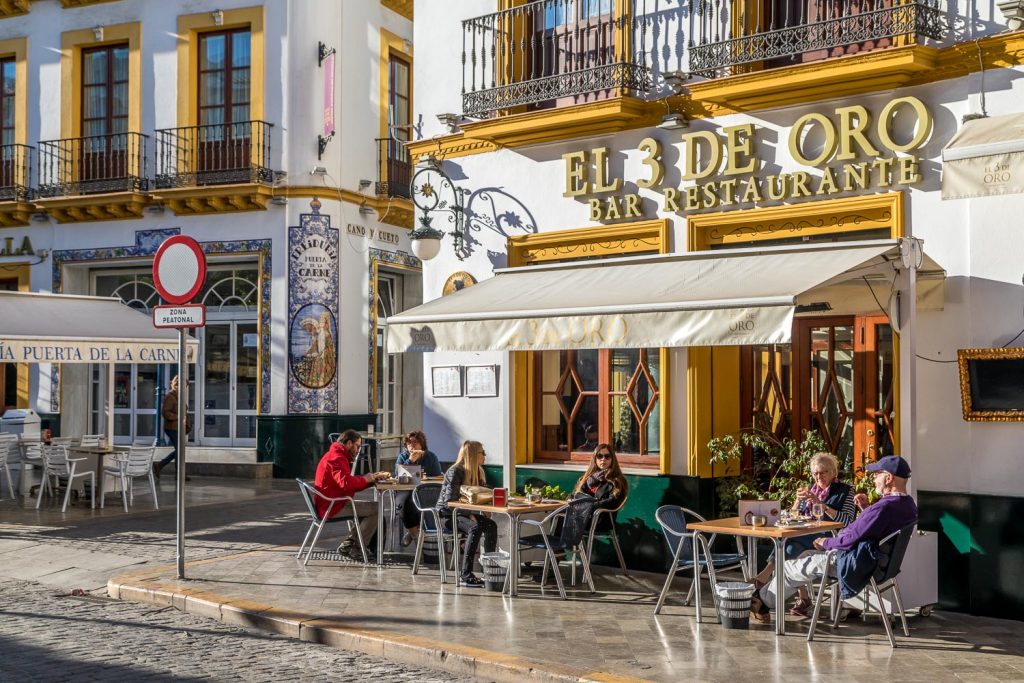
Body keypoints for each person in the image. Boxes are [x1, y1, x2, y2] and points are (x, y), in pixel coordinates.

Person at [750, 455, 918, 623]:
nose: (873, 478)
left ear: (888, 478)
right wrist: (865, 509)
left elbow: (848, 539)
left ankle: (761, 602)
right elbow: (876, 529)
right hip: (875, 564)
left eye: (877, 474)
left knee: (787, 567)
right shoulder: (908, 505)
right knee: (801, 556)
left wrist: (826, 543)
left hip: (850, 562)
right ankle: (781, 598)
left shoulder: (882, 507)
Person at [751, 452, 858, 616]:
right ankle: (803, 598)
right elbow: (793, 516)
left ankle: (764, 577)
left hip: (831, 540)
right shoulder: (809, 489)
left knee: (790, 540)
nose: (818, 476)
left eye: (823, 472)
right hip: (805, 538)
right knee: (789, 549)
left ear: (834, 473)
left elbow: (848, 520)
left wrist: (822, 505)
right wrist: (797, 501)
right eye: (815, 473)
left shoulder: (846, 491)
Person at [314, 429, 389, 562]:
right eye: (357, 446)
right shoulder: (337, 458)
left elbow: (347, 483)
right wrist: (367, 479)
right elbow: (346, 484)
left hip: (333, 502)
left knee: (372, 508)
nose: (358, 450)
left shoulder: (336, 454)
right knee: (376, 509)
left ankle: (350, 544)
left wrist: (371, 480)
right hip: (332, 506)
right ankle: (357, 547)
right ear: (349, 443)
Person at [435, 440, 498, 587]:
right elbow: (450, 501)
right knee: (474, 528)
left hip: (463, 514)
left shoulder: (478, 471)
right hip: (447, 516)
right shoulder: (455, 471)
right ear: (473, 455)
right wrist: (470, 514)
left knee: (491, 525)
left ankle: (488, 571)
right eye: (483, 452)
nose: (485, 455)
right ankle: (465, 575)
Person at [394, 430, 443, 547]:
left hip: (425, 491)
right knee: (405, 503)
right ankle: (415, 535)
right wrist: (410, 461)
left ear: (422, 445)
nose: (411, 446)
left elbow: (438, 477)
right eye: (409, 443)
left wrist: (425, 478)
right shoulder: (403, 456)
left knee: (424, 503)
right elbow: (397, 475)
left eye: (415, 443)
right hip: (406, 490)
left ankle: (413, 534)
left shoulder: (431, 457)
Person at [573, 444, 628, 533]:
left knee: (564, 520)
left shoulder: (617, 480)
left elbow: (613, 502)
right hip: (584, 516)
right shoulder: (587, 478)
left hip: (600, 520)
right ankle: (559, 546)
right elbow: (575, 495)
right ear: (595, 459)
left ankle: (562, 546)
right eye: (599, 456)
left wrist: (590, 506)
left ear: (612, 459)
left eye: (607, 456)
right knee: (560, 517)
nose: (603, 459)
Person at [154, 376, 191, 481]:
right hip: (172, 428)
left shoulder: (179, 396)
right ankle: (163, 467)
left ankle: (178, 474)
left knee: (180, 450)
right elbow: (165, 412)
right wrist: (177, 417)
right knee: (180, 450)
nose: (184, 388)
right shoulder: (170, 396)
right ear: (176, 385)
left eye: (186, 386)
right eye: (182, 385)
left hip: (179, 427)